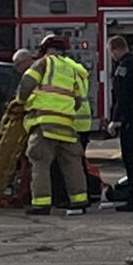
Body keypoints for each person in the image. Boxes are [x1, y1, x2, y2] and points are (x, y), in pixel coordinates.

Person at [13, 45, 89, 216]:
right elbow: (77, 100)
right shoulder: (71, 69)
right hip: (67, 125)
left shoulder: (42, 64)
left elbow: (27, 84)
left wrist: (20, 101)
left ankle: (41, 204)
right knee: (72, 164)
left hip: (44, 123)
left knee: (39, 162)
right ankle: (79, 201)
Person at [105, 35, 133, 213]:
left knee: (131, 158)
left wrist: (115, 120)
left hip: (130, 119)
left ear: (115, 49)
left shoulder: (125, 67)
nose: (112, 56)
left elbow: (122, 96)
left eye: (111, 52)